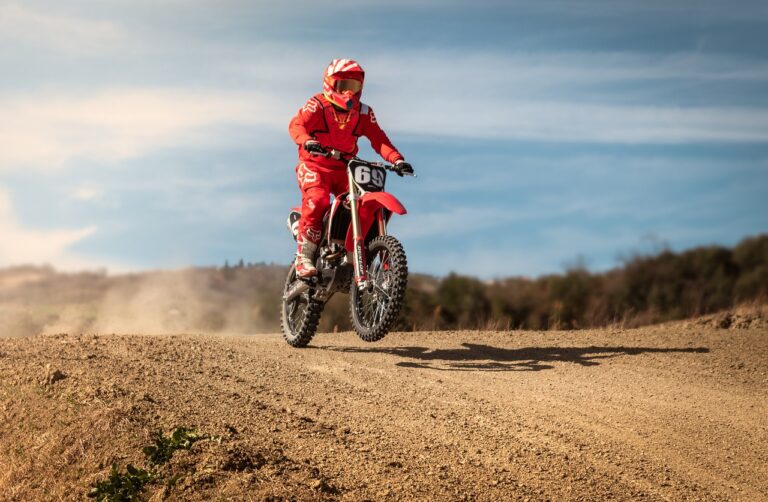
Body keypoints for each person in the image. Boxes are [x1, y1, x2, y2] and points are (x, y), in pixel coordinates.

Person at [288, 58, 414, 278]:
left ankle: (352, 250)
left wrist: (396, 159)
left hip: (345, 168)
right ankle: (304, 258)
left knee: (363, 201)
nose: (349, 92)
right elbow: (296, 125)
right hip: (314, 165)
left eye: (354, 86)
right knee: (318, 200)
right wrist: (307, 140)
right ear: (330, 84)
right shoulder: (317, 105)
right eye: (343, 86)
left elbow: (379, 138)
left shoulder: (363, 112)